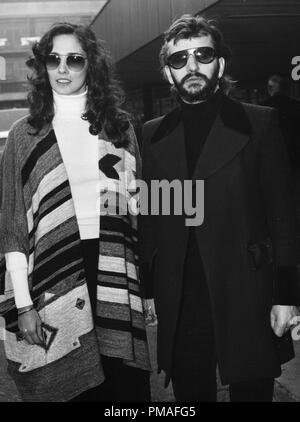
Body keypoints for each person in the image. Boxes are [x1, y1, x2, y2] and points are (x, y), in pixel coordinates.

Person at [140, 14, 300, 402]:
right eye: (179, 59)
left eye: (203, 54)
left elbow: (283, 216)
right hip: (183, 294)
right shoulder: (153, 133)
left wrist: (287, 295)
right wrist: (149, 288)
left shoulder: (259, 123)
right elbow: (153, 219)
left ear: (220, 64)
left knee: (251, 390)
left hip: (247, 289)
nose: (191, 66)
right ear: (168, 72)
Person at [0, 23, 151, 402]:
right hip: (54, 271)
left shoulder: (119, 127)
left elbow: (139, 213)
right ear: (43, 66)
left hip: (115, 266)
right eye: (54, 59)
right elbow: (13, 225)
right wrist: (23, 304)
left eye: (74, 59)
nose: (63, 68)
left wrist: (147, 290)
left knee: (123, 386)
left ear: (91, 66)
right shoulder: (25, 133)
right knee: (71, 386)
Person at [261, 74, 300, 171]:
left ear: (270, 88)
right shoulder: (296, 105)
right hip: (294, 151)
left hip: (272, 153)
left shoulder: (263, 107)